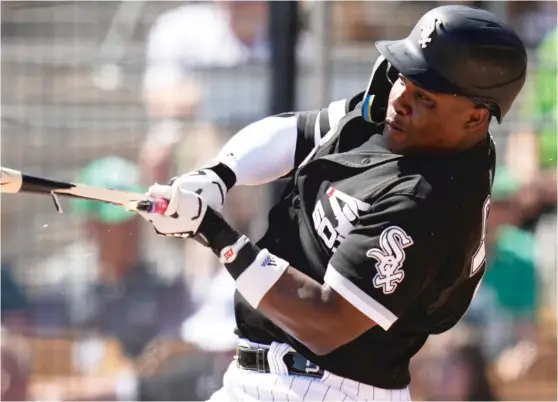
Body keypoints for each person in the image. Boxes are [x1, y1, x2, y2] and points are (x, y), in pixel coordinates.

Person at [138, 5, 527, 401]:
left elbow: (324, 322)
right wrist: (217, 177)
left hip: (327, 389)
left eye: (425, 95)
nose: (401, 99)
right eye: (404, 78)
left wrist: (214, 231)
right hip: (268, 379)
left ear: (475, 117)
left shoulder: (431, 201)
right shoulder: (402, 124)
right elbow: (299, 132)